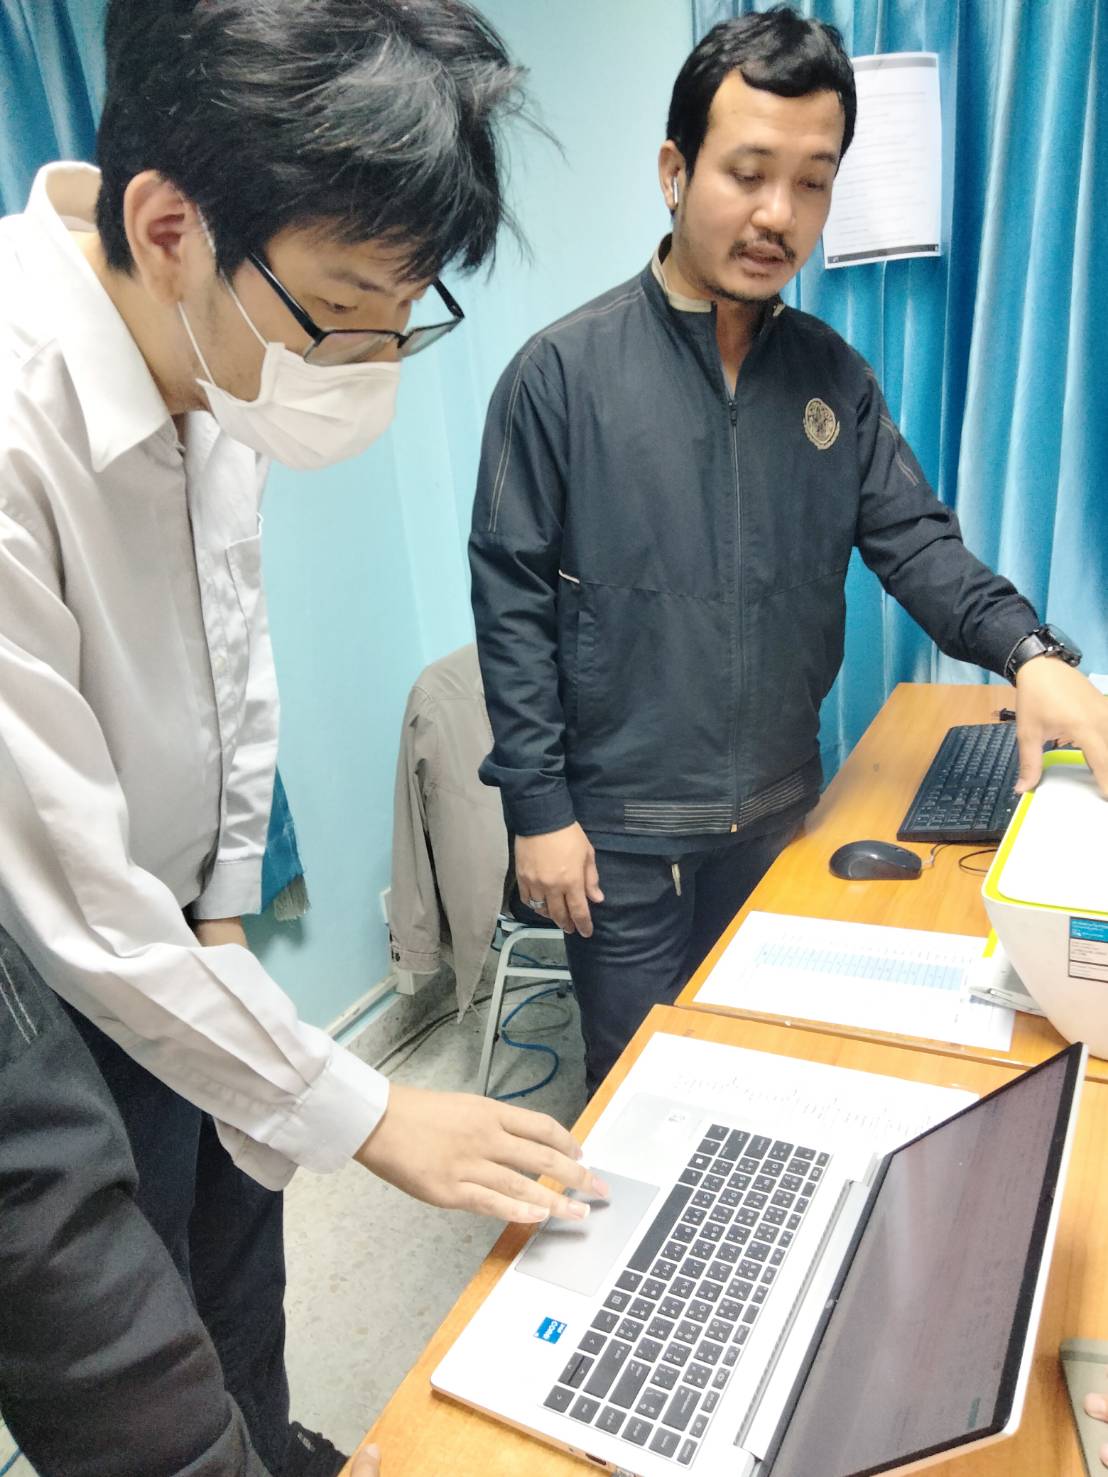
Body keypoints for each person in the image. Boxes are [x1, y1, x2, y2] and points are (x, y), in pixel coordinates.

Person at [0, 2, 604, 1473]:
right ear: (169, 228)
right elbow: (73, 900)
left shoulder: (212, 352)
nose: (377, 359)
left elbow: (232, 660)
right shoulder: (19, 415)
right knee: (145, 1358)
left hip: (182, 938)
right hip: (59, 983)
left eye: (407, 311)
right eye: (345, 309)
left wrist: (224, 922)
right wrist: (373, 1112)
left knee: (241, 1271)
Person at [469, 5, 1108, 1092]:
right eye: (748, 172)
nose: (779, 214)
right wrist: (540, 815)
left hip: (775, 809)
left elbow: (917, 543)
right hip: (620, 835)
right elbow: (512, 605)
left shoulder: (831, 375)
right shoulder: (558, 376)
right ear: (674, 172)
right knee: (636, 1086)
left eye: (812, 182)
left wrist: (1030, 653)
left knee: (764, 1061)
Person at [0, 924, 381, 1477]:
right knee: (146, 1271)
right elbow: (63, 1271)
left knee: (239, 1235)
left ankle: (270, 1445)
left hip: (174, 945)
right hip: (72, 985)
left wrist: (220, 920)